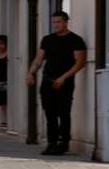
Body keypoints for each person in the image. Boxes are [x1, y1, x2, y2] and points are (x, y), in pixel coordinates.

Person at [27, 11, 88, 155]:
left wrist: (64, 77)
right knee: (50, 114)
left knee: (63, 112)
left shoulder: (75, 40)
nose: (56, 24)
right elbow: (39, 59)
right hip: (47, 81)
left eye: (58, 22)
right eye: (54, 22)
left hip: (65, 82)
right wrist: (31, 72)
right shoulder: (47, 39)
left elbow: (80, 62)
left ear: (66, 22)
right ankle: (51, 143)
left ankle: (64, 143)